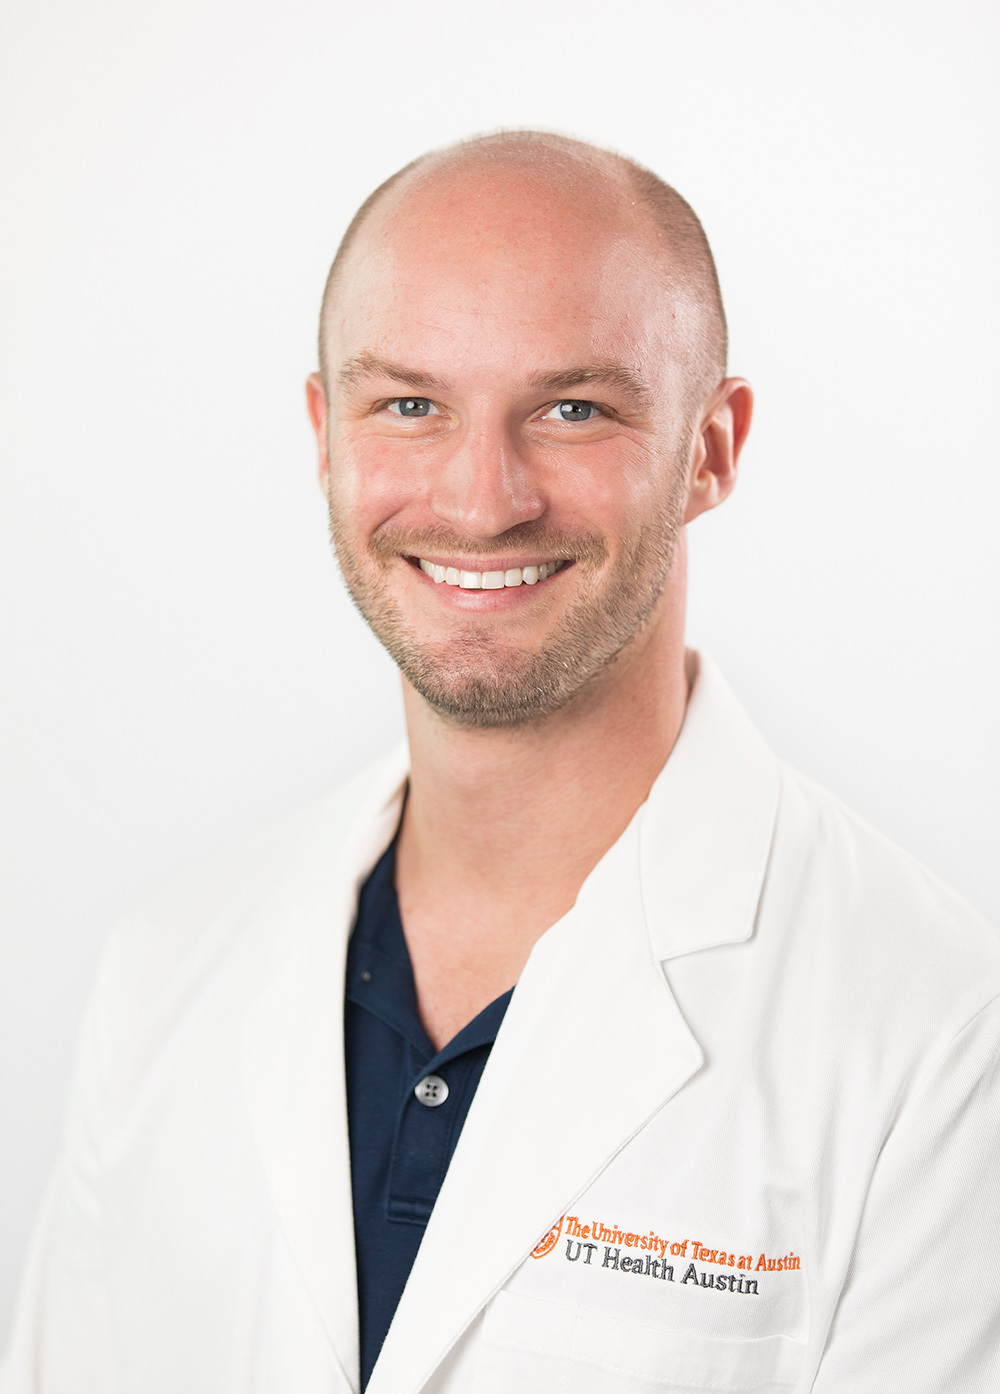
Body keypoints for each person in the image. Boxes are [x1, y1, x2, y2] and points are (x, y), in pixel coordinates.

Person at [2, 130, 998, 1394]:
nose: (480, 500)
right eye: (409, 405)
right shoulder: (166, 966)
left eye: (572, 407)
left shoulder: (938, 1036)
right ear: (325, 435)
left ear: (712, 448)